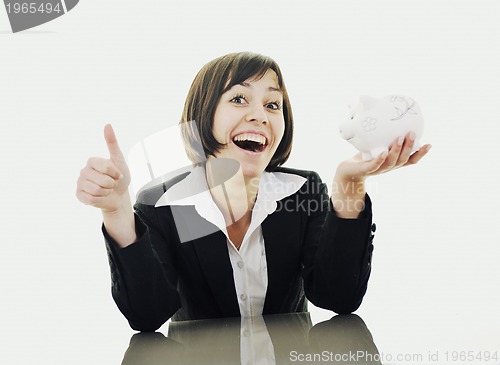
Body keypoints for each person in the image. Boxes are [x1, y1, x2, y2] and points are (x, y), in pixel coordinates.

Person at [76, 52, 431, 331]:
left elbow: (339, 298)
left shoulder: (302, 192)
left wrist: (350, 185)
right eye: (239, 99)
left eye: (272, 105)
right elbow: (147, 316)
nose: (260, 115)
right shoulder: (163, 204)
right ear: (203, 114)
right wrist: (117, 211)